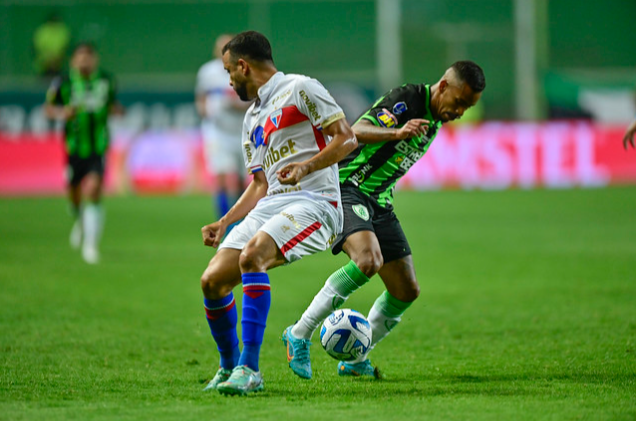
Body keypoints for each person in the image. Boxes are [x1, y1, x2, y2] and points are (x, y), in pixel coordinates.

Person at [282, 61, 486, 379]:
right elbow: (354, 132)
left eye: (467, 107)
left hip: (379, 201)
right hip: (347, 188)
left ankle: (355, 359)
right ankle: (299, 333)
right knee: (368, 260)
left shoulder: (437, 116)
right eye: (459, 102)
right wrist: (396, 131)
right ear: (444, 86)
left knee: (406, 290)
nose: (459, 111)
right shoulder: (407, 101)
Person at [199, 31, 357, 396]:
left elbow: (346, 138)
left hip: (315, 202)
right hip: (271, 205)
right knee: (212, 281)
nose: (229, 81)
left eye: (229, 72)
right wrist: (225, 222)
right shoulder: (251, 118)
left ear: (243, 65)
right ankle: (228, 368)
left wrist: (306, 166)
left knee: (253, 256)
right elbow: (259, 184)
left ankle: (250, 369)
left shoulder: (302, 88)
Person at [45, 42, 123, 264]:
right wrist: (62, 112)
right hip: (74, 148)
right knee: (74, 195)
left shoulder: (106, 81)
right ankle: (80, 219)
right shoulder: (63, 83)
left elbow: (111, 104)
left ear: (95, 59)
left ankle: (91, 245)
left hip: (98, 147)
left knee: (94, 188)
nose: (84, 61)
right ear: (73, 61)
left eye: (88, 57)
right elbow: (49, 108)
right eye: (80, 57)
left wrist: (117, 110)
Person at [196, 34, 250, 223]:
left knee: (242, 179)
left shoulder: (244, 70)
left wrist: (235, 105)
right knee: (220, 176)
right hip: (217, 131)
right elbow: (201, 97)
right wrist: (204, 110)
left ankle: (240, 219)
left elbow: (252, 99)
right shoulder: (207, 72)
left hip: (241, 131)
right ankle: (223, 221)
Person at [33, 12, 71, 77]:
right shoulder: (42, 31)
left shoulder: (63, 30)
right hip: (43, 66)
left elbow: (66, 47)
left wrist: (56, 58)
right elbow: (37, 47)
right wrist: (48, 59)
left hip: (59, 65)